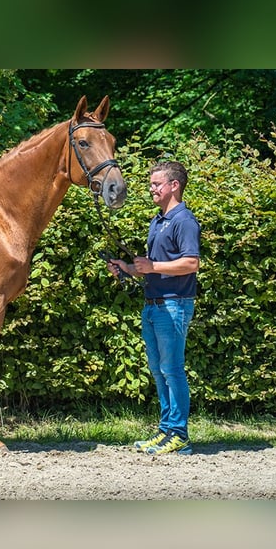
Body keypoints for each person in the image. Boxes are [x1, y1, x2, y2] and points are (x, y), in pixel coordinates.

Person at [107, 161, 200, 455]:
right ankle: (165, 432)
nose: (151, 189)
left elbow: (191, 263)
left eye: (156, 184)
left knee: (172, 371)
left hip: (174, 305)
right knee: (159, 372)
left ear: (175, 185)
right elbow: (151, 268)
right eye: (151, 184)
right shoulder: (158, 221)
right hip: (153, 306)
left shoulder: (184, 220)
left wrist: (153, 265)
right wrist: (127, 268)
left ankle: (179, 434)